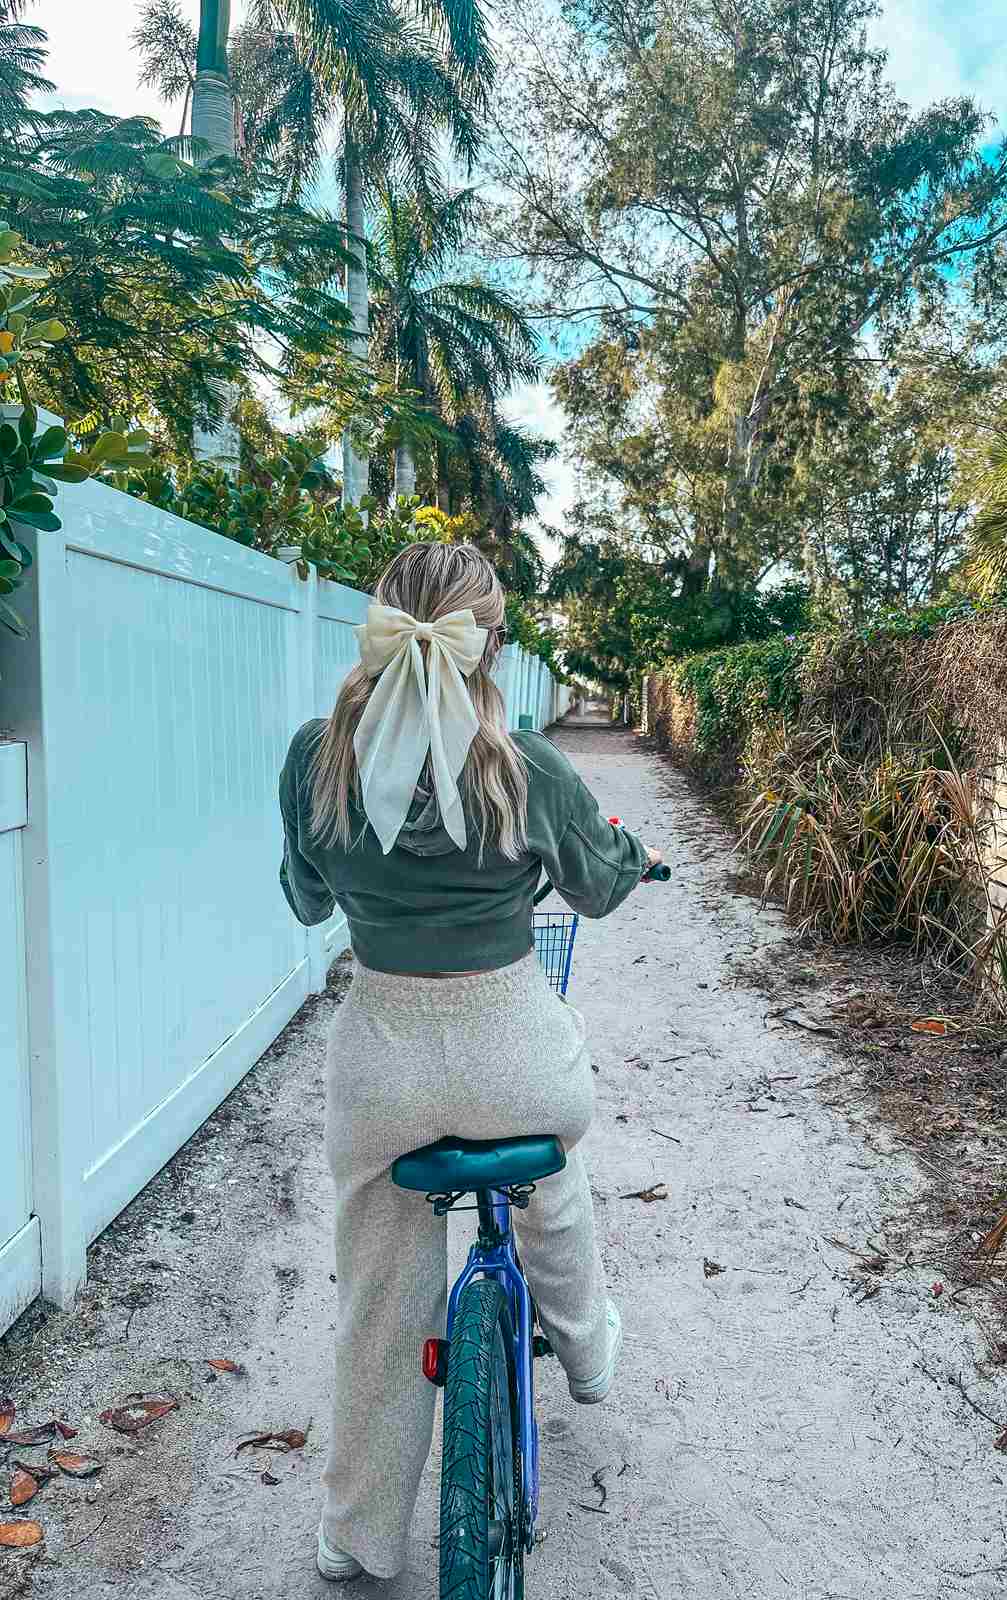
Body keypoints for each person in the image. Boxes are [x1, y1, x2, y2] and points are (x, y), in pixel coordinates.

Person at [277, 541, 659, 1584]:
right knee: (553, 1172)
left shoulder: (318, 757)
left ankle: (358, 1533)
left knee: (380, 1295)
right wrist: (630, 854)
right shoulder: (527, 765)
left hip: (384, 1067)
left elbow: (309, 900)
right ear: (489, 642)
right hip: (514, 1056)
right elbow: (598, 883)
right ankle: (585, 1350)